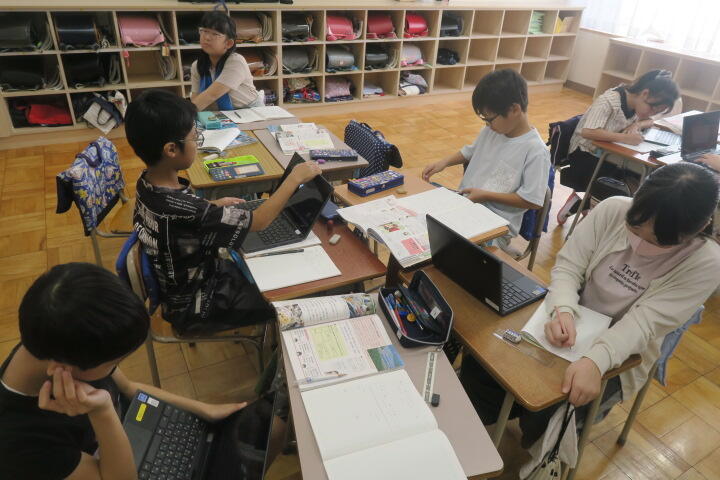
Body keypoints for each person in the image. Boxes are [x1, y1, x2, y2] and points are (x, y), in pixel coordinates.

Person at [460, 162, 720, 446]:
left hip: (623, 351)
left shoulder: (706, 263)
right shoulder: (613, 209)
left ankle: (537, 445)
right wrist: (563, 310)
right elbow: (569, 267)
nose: (641, 243)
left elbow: (643, 324)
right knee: (487, 360)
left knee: (553, 408)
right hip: (567, 317)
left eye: (659, 242)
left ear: (700, 227)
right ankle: (478, 419)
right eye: (634, 227)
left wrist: (597, 361)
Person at [0, 262, 250, 480]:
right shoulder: (18, 443)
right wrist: (102, 411)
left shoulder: (58, 339)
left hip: (130, 433)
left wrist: (205, 410)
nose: (114, 369)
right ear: (62, 368)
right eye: (113, 363)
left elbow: (130, 389)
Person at [125, 89, 321, 334]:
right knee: (295, 289)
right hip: (201, 304)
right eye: (195, 138)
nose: (198, 143)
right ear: (171, 150)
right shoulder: (194, 213)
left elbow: (181, 220)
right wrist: (294, 178)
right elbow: (260, 221)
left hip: (181, 289)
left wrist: (214, 206)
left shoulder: (146, 184)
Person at [422, 68, 550, 250]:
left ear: (514, 109)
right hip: (466, 205)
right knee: (421, 221)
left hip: (495, 226)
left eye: (490, 119)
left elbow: (533, 200)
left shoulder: (535, 151)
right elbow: (471, 151)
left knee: (441, 245)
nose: (488, 125)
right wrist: (443, 162)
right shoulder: (493, 130)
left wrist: (485, 195)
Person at [557, 69, 680, 224]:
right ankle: (583, 204)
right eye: (652, 109)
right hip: (585, 154)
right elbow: (588, 132)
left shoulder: (638, 104)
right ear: (645, 94)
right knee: (622, 186)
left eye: (657, 111)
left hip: (610, 155)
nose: (652, 113)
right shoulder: (609, 101)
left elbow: (651, 121)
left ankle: (590, 203)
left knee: (641, 179)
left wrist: (637, 124)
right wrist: (625, 138)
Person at [190, 10, 263, 111]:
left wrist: (184, 115)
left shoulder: (236, 61)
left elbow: (211, 95)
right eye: (204, 31)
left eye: (215, 34)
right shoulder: (197, 65)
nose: (206, 37)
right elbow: (196, 98)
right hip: (220, 113)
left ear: (228, 43)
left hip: (250, 110)